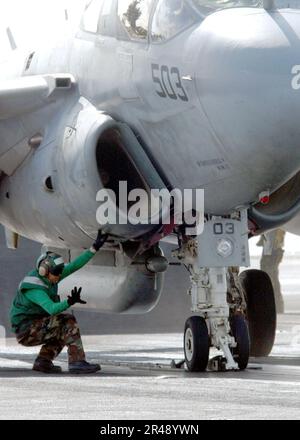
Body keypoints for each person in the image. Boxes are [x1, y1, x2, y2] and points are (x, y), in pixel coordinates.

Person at [10, 231, 108, 374]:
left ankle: (43, 361)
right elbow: (51, 309)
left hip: (35, 325)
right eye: (56, 273)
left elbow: (74, 266)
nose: (58, 276)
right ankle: (77, 361)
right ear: (44, 271)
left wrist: (94, 248)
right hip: (26, 330)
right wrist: (69, 301)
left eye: (59, 272)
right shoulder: (35, 288)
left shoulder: (50, 276)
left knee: (60, 330)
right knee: (68, 322)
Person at [257, 229, 286, 314]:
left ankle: (274, 307)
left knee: (270, 280)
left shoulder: (276, 227)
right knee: (272, 279)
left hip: (271, 253)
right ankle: (277, 307)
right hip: (269, 252)